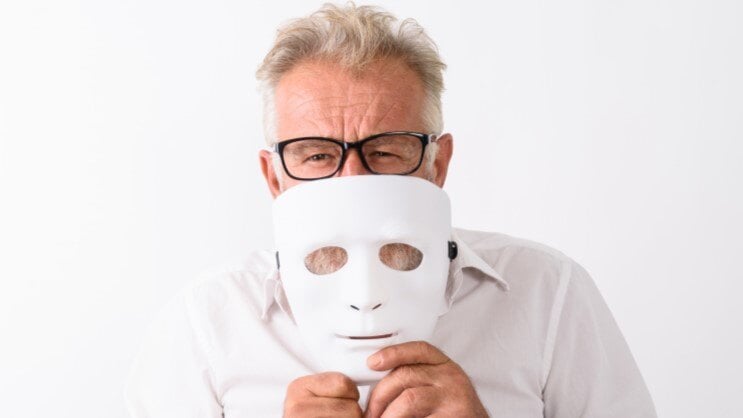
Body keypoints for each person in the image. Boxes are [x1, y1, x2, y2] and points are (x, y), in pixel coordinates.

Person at [125, 3, 657, 417]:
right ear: (274, 177)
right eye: (315, 154)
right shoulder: (208, 322)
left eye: (386, 149)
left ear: (437, 163)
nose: (352, 179)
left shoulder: (548, 293)